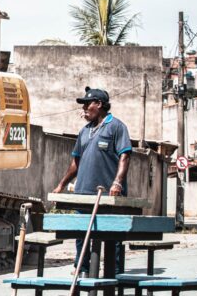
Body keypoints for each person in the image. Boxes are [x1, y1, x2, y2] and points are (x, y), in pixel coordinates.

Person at [52, 87, 132, 276]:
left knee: (113, 235)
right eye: (84, 105)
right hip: (83, 193)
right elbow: (76, 162)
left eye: (88, 104)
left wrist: (117, 182)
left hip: (108, 194)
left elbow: (125, 155)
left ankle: (115, 272)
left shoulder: (116, 127)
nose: (85, 108)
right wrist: (61, 185)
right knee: (82, 234)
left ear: (100, 104)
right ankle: (82, 268)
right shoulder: (84, 131)